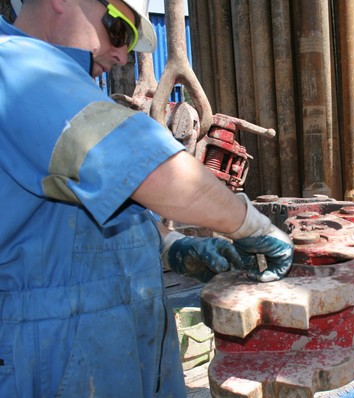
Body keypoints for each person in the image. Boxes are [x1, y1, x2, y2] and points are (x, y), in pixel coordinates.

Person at [0, 0, 294, 396]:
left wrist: (169, 244)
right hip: (54, 357)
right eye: (118, 30)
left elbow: (76, 218)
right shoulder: (15, 68)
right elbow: (150, 169)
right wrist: (251, 224)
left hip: (122, 346)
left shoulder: (61, 87)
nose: (122, 55)